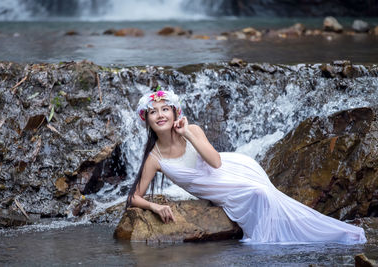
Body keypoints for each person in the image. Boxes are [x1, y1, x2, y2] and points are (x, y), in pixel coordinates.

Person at [127, 89, 367, 244]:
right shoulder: (154, 158)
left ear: (174, 112)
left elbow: (216, 162)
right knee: (263, 196)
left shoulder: (193, 131)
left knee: (268, 197)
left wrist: (187, 133)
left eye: (165, 109)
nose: (160, 114)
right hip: (217, 188)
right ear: (146, 119)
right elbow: (134, 197)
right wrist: (155, 207)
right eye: (153, 111)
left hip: (232, 169)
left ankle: (297, 240)